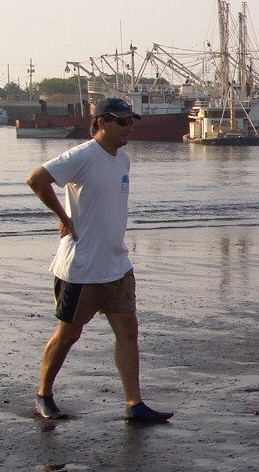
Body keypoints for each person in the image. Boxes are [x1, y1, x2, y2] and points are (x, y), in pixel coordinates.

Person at [25, 97, 172, 423]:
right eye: (122, 122)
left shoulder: (123, 160)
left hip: (116, 264)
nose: (129, 128)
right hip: (82, 267)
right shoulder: (83, 155)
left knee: (128, 331)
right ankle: (43, 395)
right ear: (102, 122)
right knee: (68, 334)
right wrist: (63, 216)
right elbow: (37, 179)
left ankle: (134, 404)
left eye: (132, 122)